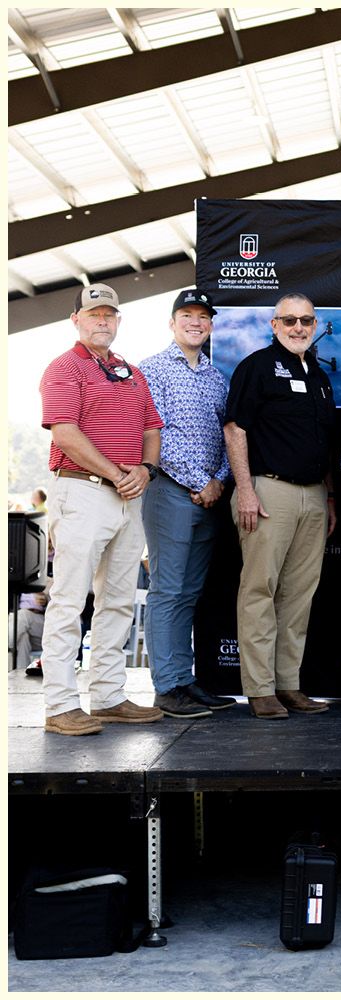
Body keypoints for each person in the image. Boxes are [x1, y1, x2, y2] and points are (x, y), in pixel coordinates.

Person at [39, 282, 165, 736]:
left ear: (118, 320)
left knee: (118, 600)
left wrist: (146, 470)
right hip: (83, 491)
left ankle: (108, 696)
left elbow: (151, 428)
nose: (102, 321)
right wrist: (117, 473)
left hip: (129, 495)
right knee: (70, 599)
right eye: (94, 314)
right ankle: (60, 705)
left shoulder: (130, 371)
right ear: (76, 320)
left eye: (109, 314)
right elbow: (65, 433)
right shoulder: (64, 367)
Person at [224, 292, 336, 719]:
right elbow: (235, 430)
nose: (298, 327)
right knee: (259, 590)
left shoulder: (318, 375)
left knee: (298, 595)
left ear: (314, 324)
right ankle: (260, 689)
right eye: (289, 320)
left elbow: (323, 443)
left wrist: (329, 495)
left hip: (314, 495)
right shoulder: (256, 367)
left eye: (306, 320)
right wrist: (246, 490)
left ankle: (288, 684)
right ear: (274, 325)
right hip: (268, 491)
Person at [139, 289, 236, 719]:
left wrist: (218, 481)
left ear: (210, 325)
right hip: (171, 492)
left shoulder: (217, 378)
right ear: (172, 323)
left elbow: (228, 436)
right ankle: (166, 687)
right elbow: (154, 435)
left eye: (202, 317)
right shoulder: (152, 369)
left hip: (209, 496)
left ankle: (184, 679)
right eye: (187, 316)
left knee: (190, 592)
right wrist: (201, 482)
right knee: (167, 589)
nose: (195, 323)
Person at [16, 590, 48, 670]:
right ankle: (21, 672)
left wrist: (46, 601)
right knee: (23, 638)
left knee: (23, 615)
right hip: (19, 627)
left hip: (43, 625)